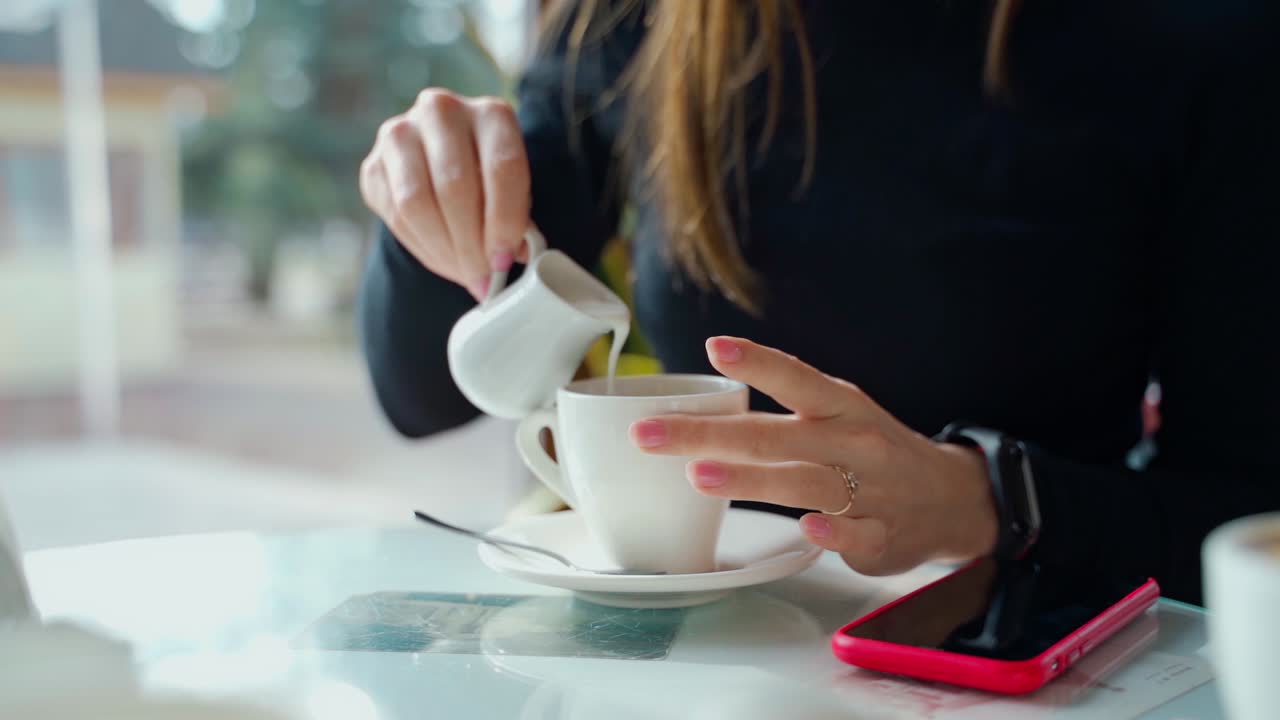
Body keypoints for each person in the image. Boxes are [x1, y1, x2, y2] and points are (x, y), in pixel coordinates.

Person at [357, 0, 1280, 603]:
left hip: (1014, 663)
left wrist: (991, 500)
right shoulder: (631, 21)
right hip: (704, 673)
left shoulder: (1196, 38)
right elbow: (419, 394)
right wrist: (434, 203)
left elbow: (1247, 512)